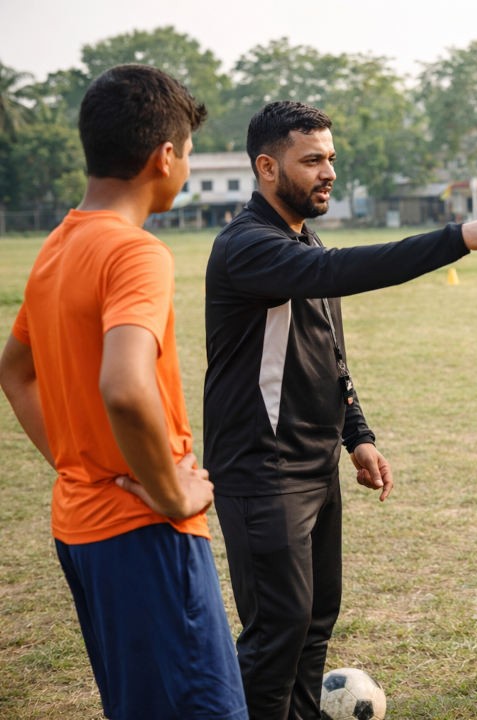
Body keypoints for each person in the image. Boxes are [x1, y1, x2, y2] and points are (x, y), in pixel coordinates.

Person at [203, 99, 477, 720]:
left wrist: (357, 435)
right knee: (276, 630)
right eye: (311, 161)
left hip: (313, 466)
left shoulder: (302, 239)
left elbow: (330, 351)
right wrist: (458, 239)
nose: (328, 171)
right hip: (261, 470)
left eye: (331, 158)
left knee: (312, 622)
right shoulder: (247, 247)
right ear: (267, 168)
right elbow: (347, 271)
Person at [0, 65, 247, 720]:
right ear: (164, 157)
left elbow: (14, 371)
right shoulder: (135, 253)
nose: (187, 168)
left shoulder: (57, 245)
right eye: (189, 154)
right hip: (145, 531)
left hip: (82, 527)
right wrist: (171, 492)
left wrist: (78, 463)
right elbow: (124, 385)